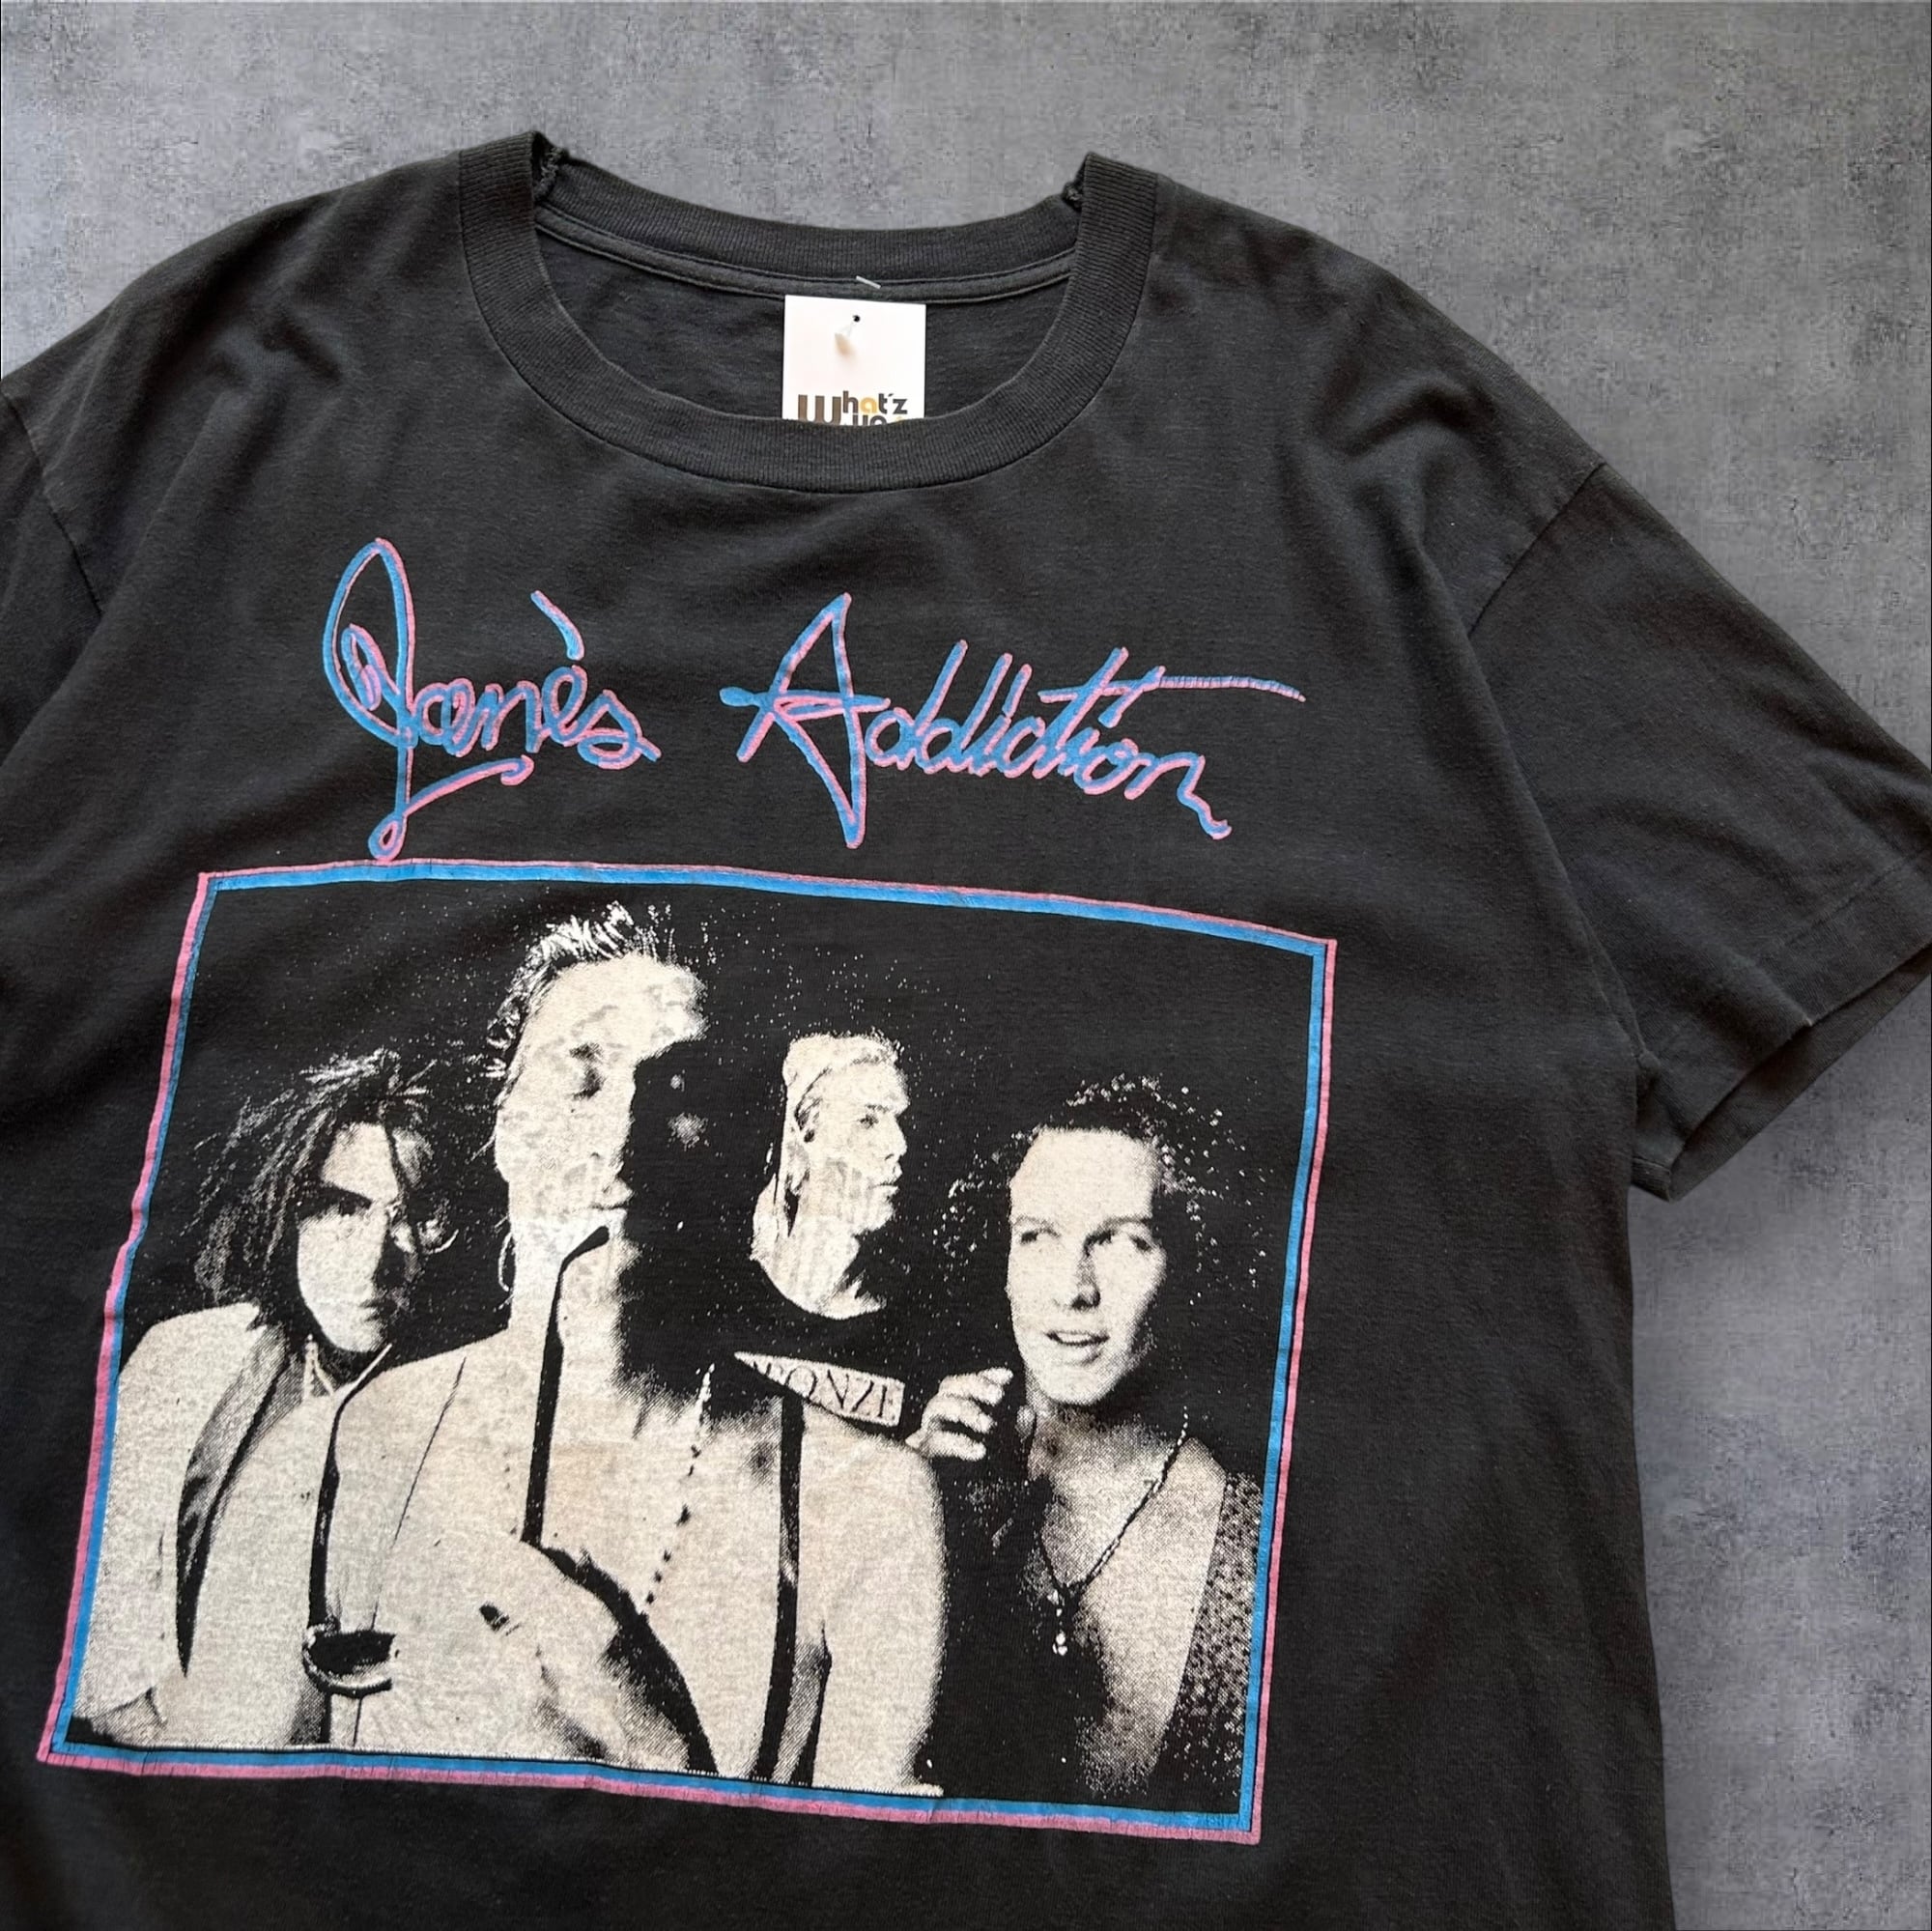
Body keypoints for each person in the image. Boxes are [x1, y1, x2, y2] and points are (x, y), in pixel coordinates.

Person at [327, 903, 949, 1792]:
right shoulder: (342, 1454)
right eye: (579, 1076)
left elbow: (863, 1870)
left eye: (681, 1089)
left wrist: (655, 1744)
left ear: (743, 1149)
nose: (621, 1138)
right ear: (504, 1125)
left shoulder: (871, 1508)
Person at [71, 1048, 463, 1748]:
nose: (374, 1257)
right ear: (291, 1211)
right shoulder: (182, 1360)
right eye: (342, 1208)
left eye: (410, 1217)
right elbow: (104, 1659)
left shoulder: (475, 1406)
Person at [911, 1075, 1263, 1811]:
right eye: (1037, 1236)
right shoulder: (925, 1478)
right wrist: (904, 1525)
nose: (1073, 1288)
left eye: (1123, 1241)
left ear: (1190, 1262)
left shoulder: (1251, 1547)